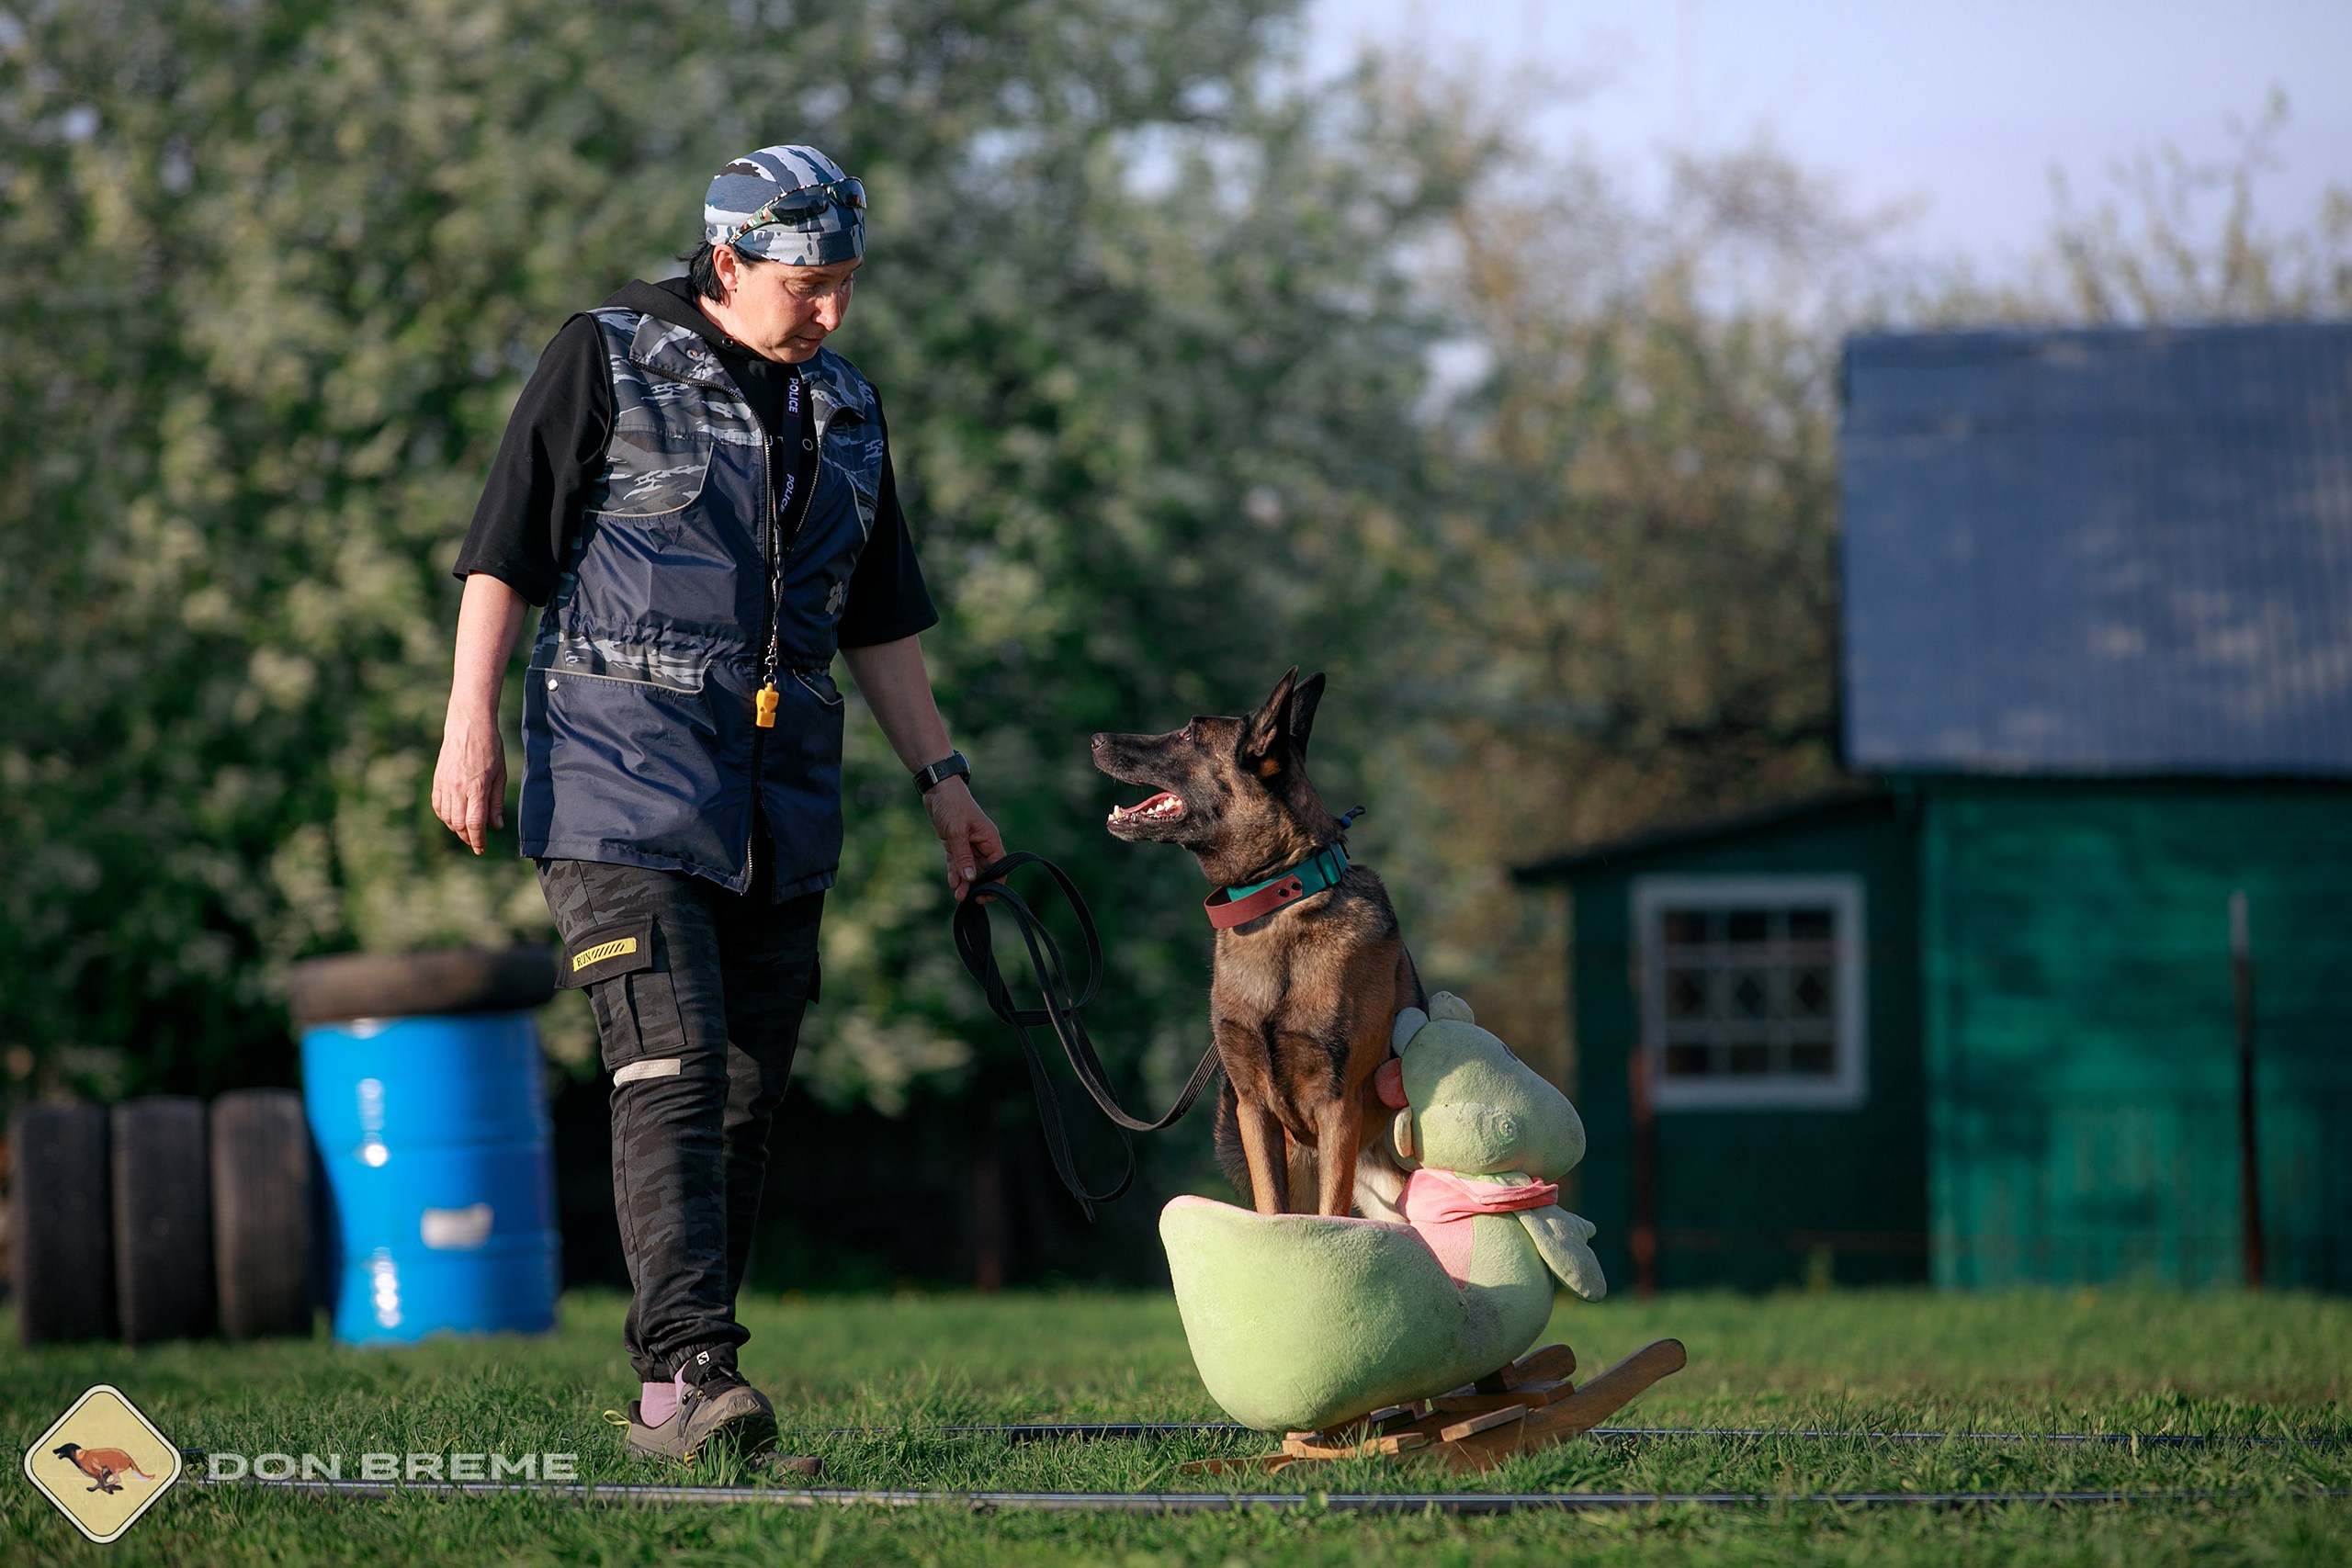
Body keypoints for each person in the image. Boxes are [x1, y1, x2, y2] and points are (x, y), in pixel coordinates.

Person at [431, 143, 1002, 1464]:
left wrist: (947, 785)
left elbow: (881, 621)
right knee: (672, 1062)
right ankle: (692, 1371)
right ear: (728, 262)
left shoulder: (848, 407)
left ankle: (676, 1395)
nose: (834, 313)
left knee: (745, 1092)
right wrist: (470, 727)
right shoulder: (608, 354)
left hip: (781, 801)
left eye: (849, 283)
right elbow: (502, 550)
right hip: (617, 782)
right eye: (809, 285)